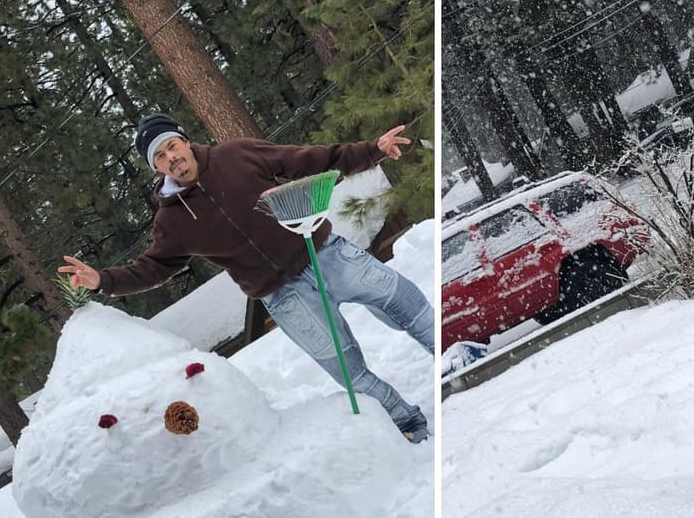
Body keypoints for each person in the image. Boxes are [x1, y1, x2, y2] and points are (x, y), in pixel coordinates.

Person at [59, 114, 433, 443]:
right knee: (347, 371)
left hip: (327, 255)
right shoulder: (171, 222)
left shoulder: (236, 154)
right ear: (157, 168)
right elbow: (153, 267)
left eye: (172, 146)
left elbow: (307, 159)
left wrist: (373, 150)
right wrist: (102, 281)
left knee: (404, 301)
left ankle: (452, 349)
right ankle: (406, 421)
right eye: (160, 156)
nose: (171, 157)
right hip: (284, 297)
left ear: (185, 141)